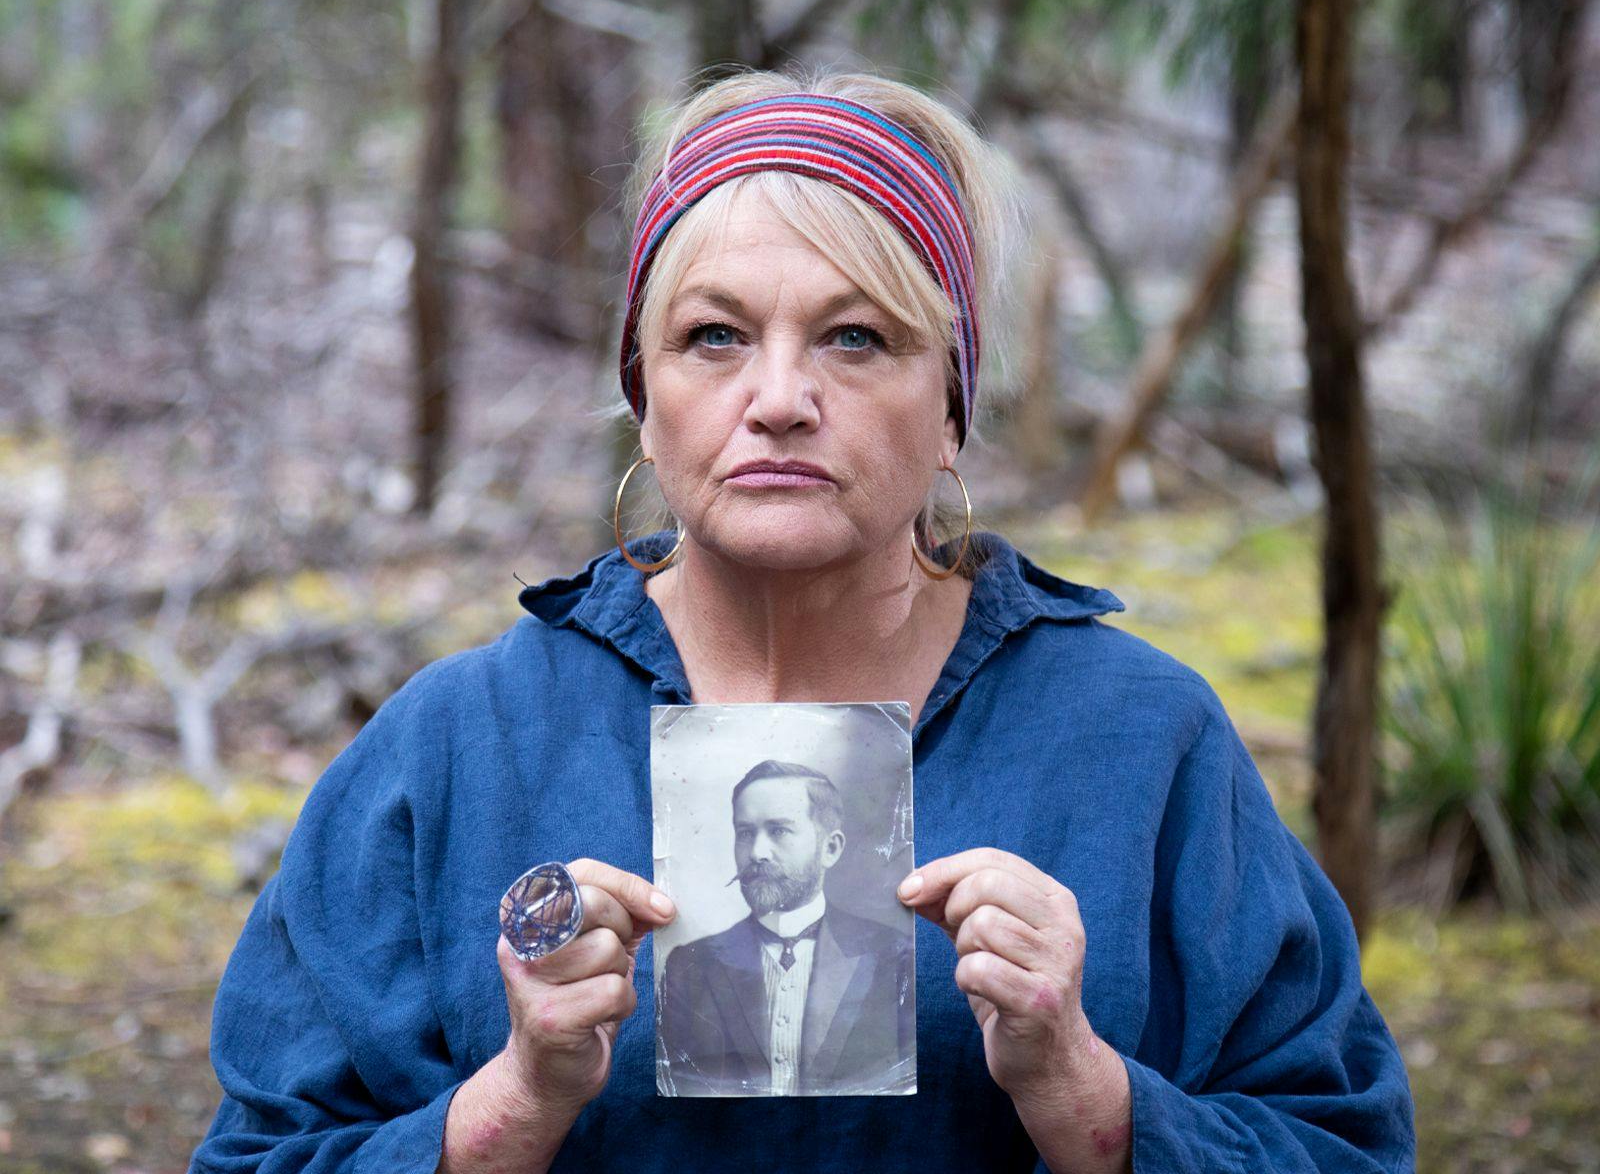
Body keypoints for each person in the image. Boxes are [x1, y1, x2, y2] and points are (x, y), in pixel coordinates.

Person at [190, 68, 1416, 1174]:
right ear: (645, 399)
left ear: (950, 408)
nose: (778, 399)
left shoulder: (1138, 744)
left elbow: (1343, 1146)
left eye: (855, 337)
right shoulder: (461, 746)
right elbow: (256, 1157)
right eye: (713, 337)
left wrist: (1084, 1094)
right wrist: (512, 1104)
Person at [656, 760, 915, 1097]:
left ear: (830, 848)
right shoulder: (688, 965)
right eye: (745, 833)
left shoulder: (892, 958)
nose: (757, 852)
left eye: (779, 830)